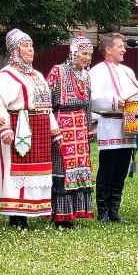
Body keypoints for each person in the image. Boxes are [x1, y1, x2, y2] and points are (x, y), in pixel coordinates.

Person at [0, 29, 62, 230]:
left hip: (39, 129)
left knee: (37, 172)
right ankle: (17, 217)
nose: (31, 50)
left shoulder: (37, 75)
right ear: (16, 50)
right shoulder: (7, 75)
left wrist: (55, 130)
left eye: (32, 46)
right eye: (25, 46)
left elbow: (47, 107)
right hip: (18, 128)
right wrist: (4, 128)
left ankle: (31, 210)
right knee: (17, 173)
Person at [89, 33, 138, 223]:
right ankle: (103, 212)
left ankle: (114, 211)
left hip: (129, 125)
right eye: (120, 46)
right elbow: (92, 99)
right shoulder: (97, 72)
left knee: (121, 169)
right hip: (110, 125)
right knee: (107, 169)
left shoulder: (127, 71)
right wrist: (115, 101)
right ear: (108, 50)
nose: (124, 49)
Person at [45, 33, 95, 229]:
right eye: (84, 53)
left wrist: (88, 128)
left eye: (90, 54)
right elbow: (46, 101)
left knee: (78, 168)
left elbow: (88, 104)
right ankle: (60, 216)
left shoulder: (86, 76)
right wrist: (51, 128)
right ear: (74, 53)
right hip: (62, 124)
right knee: (62, 168)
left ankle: (73, 212)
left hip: (80, 126)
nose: (87, 58)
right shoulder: (58, 71)